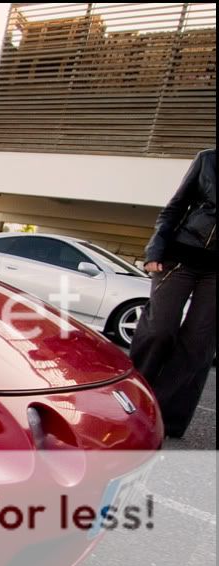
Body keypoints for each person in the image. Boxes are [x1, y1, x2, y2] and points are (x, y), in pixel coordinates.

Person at [130, 148, 216, 439]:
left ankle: (165, 416)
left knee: (199, 343)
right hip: (180, 256)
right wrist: (155, 249)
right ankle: (130, 401)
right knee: (159, 329)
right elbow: (175, 208)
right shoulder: (208, 160)